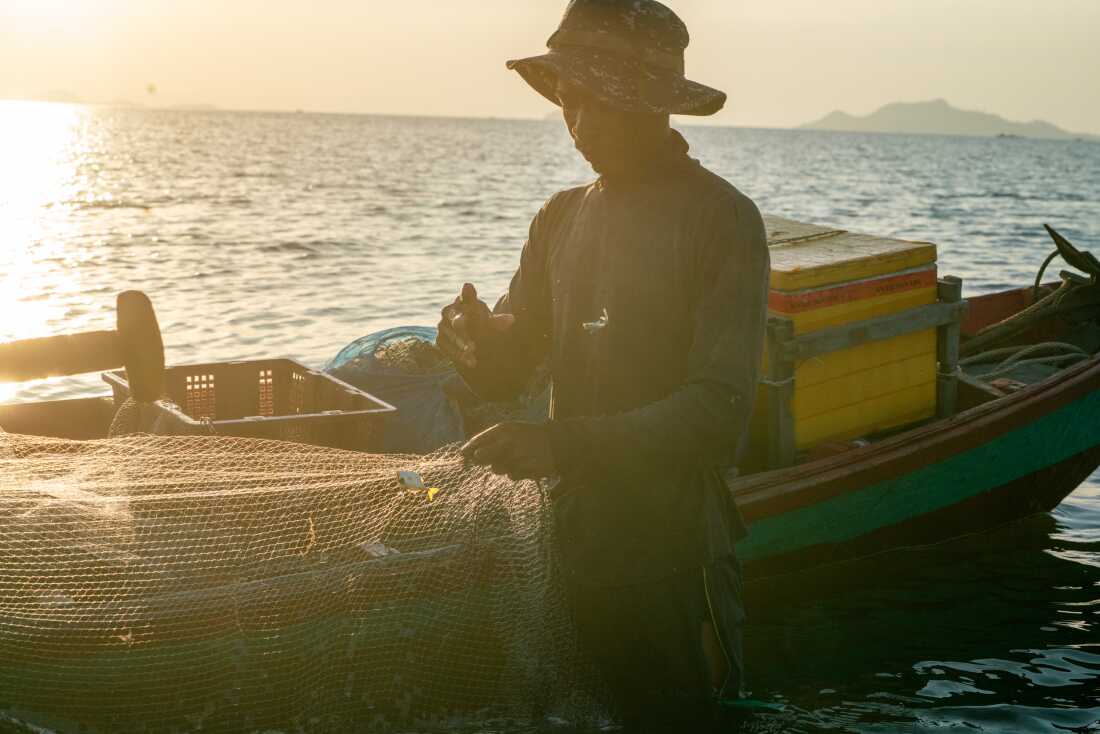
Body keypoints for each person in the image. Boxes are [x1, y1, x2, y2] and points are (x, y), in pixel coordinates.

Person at [436, 0, 769, 729]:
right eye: (570, 103)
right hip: (572, 541)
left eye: (600, 104)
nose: (580, 126)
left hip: (674, 559)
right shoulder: (560, 217)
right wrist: (469, 342)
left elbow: (718, 414)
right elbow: (510, 366)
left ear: (654, 105)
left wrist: (559, 443)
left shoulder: (720, 219)